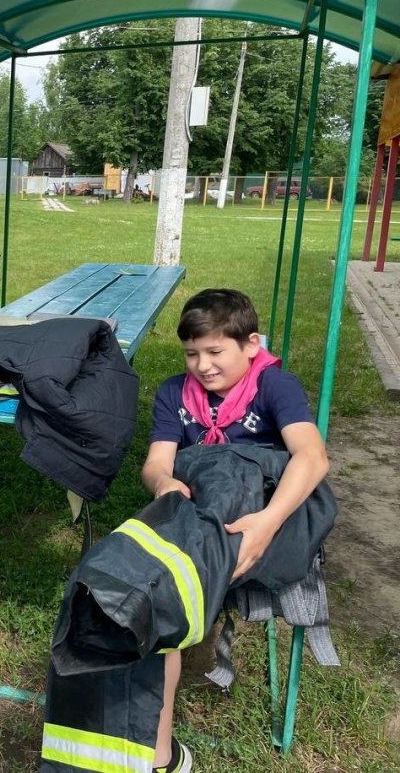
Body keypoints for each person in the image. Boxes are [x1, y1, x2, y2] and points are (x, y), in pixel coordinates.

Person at [140, 288, 329, 773]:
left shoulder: (275, 386)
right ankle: (159, 751)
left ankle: (156, 745)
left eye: (215, 351)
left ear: (250, 344)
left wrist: (266, 524)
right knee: (156, 596)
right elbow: (157, 465)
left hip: (261, 520)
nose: (202, 365)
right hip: (195, 511)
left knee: (159, 592)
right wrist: (165, 484)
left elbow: (312, 457)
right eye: (191, 353)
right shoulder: (172, 393)